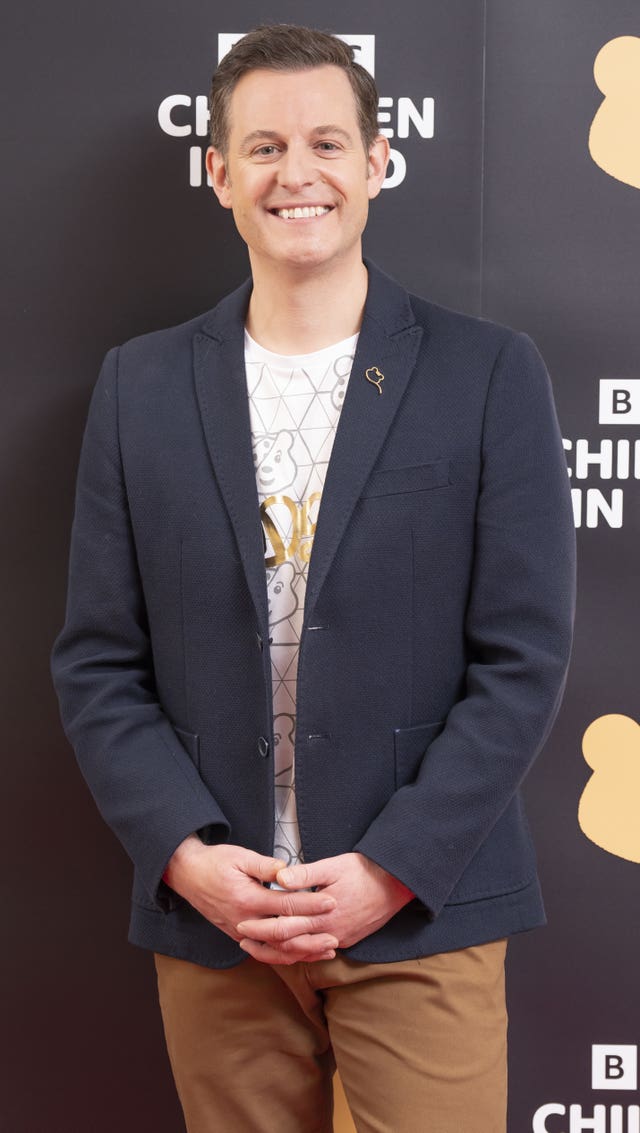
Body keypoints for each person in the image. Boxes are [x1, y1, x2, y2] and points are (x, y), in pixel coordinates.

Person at [51, 24, 576, 1133]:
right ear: (219, 172)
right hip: (218, 929)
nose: (298, 173)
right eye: (264, 146)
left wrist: (391, 865)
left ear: (378, 161)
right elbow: (99, 660)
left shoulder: (489, 372)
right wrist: (187, 859)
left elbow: (522, 657)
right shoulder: (138, 386)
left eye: (328, 142)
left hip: (420, 911)